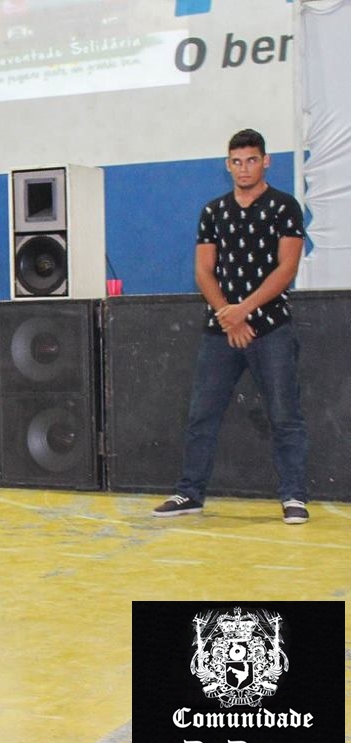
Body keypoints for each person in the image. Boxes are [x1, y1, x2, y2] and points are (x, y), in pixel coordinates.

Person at [153, 128, 309, 525]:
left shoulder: (285, 207)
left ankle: (294, 496)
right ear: (227, 165)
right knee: (201, 415)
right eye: (237, 162)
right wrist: (227, 313)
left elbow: (287, 268)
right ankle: (189, 493)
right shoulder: (213, 211)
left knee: (285, 415)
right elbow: (203, 271)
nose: (244, 168)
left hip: (271, 328)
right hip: (221, 330)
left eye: (252, 160)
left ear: (266, 161)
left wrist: (244, 310)